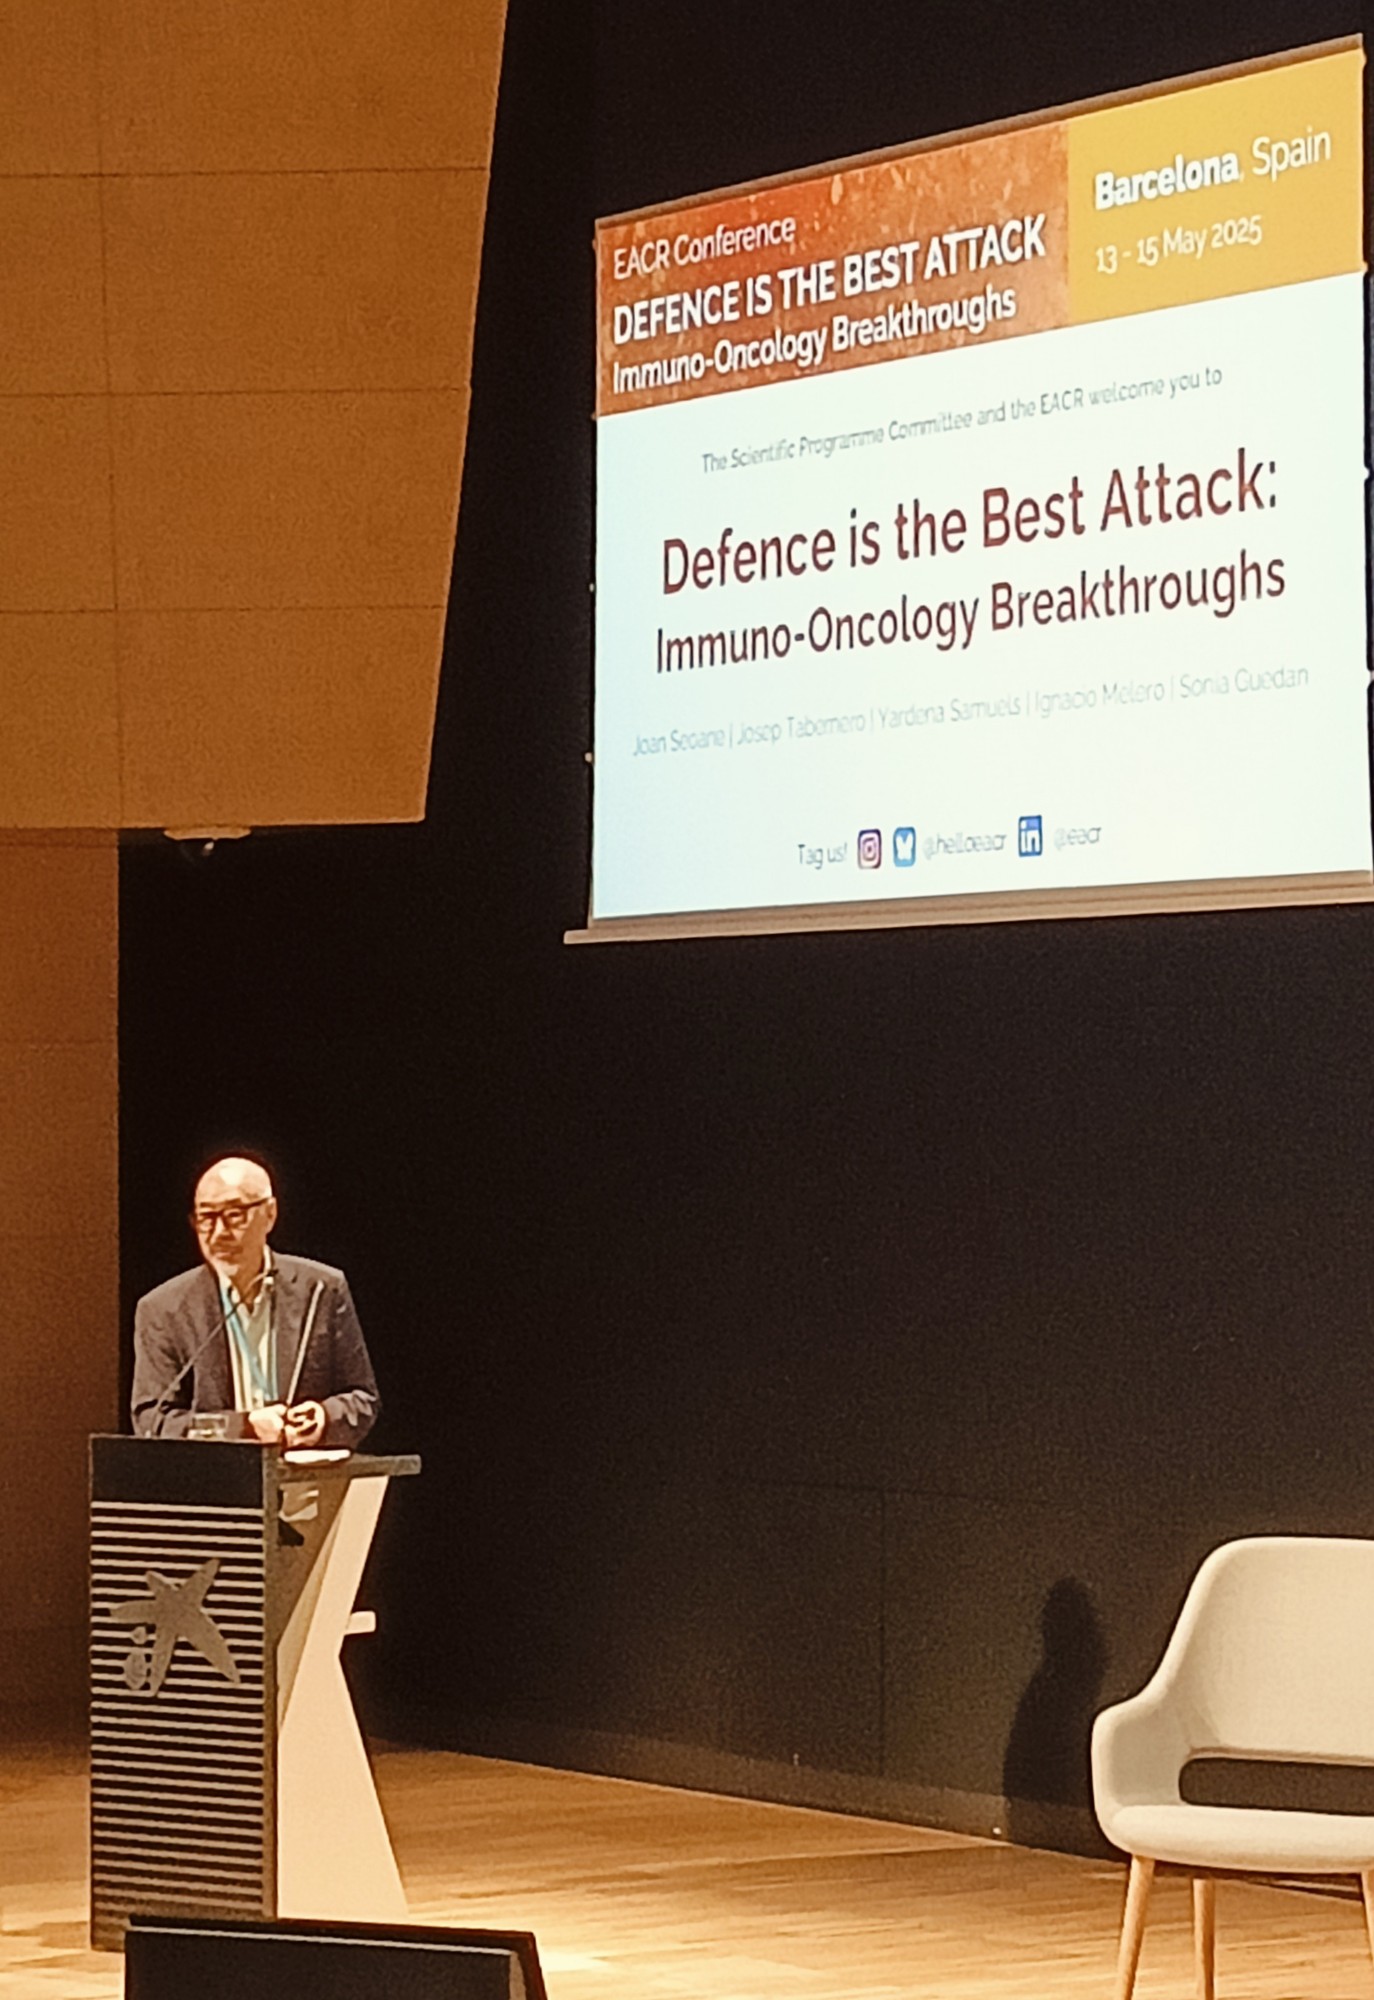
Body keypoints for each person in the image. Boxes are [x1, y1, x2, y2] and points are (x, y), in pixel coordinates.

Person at [131, 1155, 379, 1449]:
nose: (219, 1233)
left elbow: (362, 1399)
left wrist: (324, 1417)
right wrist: (245, 1427)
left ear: (270, 1214)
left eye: (234, 1215)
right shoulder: (164, 1309)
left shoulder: (321, 1289)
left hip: (302, 1471)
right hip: (214, 1475)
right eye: (206, 1218)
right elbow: (152, 1421)